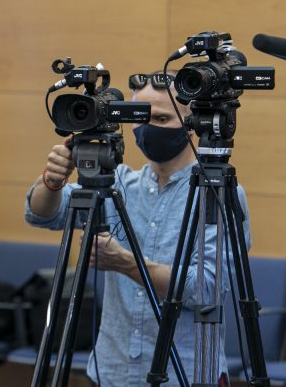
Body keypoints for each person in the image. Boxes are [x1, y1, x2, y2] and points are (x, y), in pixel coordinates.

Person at [25, 71, 250, 386]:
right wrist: (51, 182)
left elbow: (207, 289)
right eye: (141, 118)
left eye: (161, 118)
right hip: (111, 371)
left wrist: (127, 263)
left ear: (191, 123)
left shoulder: (216, 191)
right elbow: (43, 214)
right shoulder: (117, 183)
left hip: (185, 373)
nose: (149, 128)